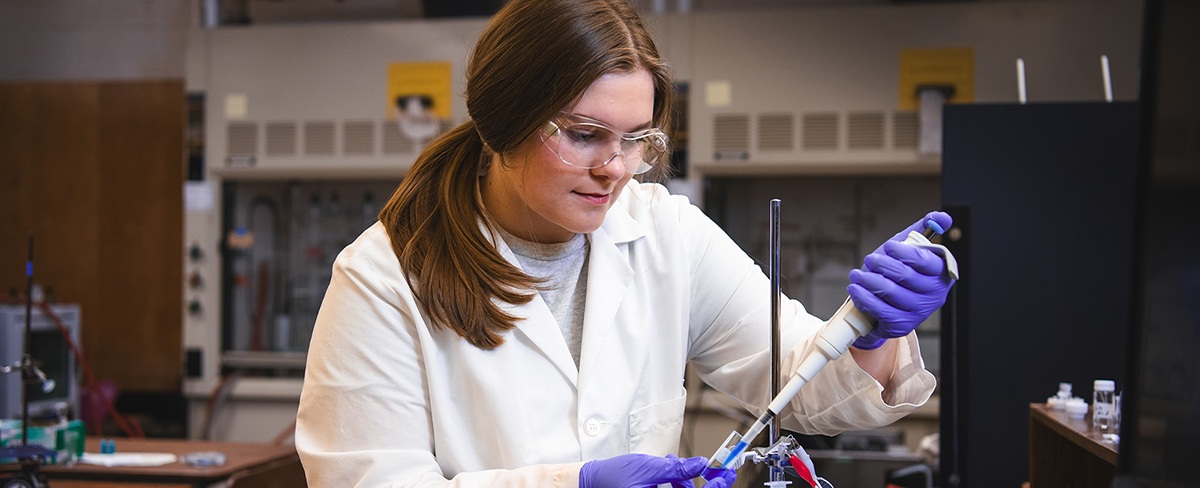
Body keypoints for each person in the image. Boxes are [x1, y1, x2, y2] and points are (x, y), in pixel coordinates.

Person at [295, 0, 954, 487]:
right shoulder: (383, 278)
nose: (614, 167)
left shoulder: (668, 235)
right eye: (584, 135)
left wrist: (867, 334)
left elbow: (798, 382)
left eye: (636, 139)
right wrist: (569, 485)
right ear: (502, 124)